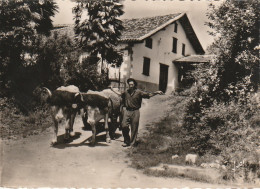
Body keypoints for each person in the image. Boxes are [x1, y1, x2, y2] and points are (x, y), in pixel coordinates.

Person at [110, 78, 164, 147]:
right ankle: (127, 141)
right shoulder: (126, 92)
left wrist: (156, 92)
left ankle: (132, 144)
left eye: (132, 84)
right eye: (129, 84)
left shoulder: (139, 92)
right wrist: (112, 90)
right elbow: (120, 94)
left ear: (134, 85)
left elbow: (148, 95)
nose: (131, 86)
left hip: (135, 111)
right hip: (127, 111)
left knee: (134, 127)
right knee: (124, 125)